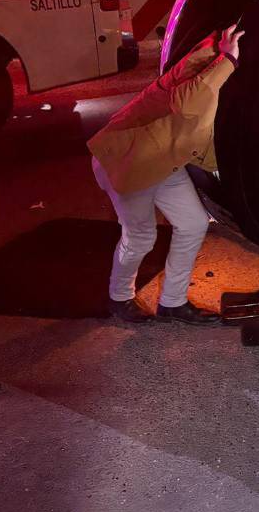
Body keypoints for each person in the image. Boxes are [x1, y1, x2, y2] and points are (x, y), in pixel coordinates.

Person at [88, 25, 243, 324]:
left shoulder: (217, 66)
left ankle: (173, 302)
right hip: (129, 160)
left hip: (164, 158)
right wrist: (228, 60)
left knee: (193, 223)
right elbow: (189, 104)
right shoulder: (208, 64)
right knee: (141, 237)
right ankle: (119, 298)